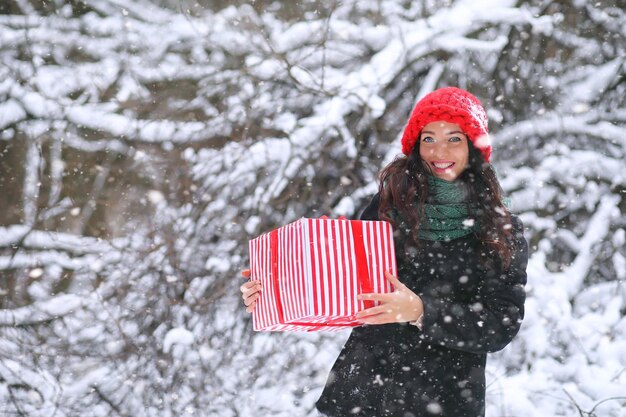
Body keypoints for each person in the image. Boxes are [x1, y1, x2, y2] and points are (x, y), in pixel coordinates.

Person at [240, 87, 528, 417]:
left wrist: (422, 311)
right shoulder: (390, 205)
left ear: (474, 148)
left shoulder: (500, 230)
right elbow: (340, 281)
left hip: (443, 400)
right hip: (361, 395)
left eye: (454, 139)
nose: (439, 150)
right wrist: (273, 287)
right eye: (429, 138)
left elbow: (499, 325)